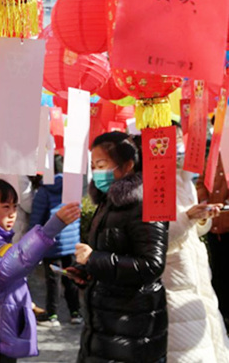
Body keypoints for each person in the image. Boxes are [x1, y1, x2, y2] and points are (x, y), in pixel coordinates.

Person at [0, 178, 81, 362]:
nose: (12, 214)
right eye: (5, 207)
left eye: (14, 207)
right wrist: (51, 227)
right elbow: (11, 264)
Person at [74, 131, 168, 363]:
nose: (97, 172)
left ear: (127, 165)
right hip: (105, 321)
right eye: (94, 165)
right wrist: (87, 272)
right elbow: (112, 253)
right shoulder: (108, 201)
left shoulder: (145, 204)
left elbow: (152, 265)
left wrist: (94, 259)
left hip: (132, 323)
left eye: (102, 164)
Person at [164, 123, 229, 362]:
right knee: (186, 350)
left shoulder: (184, 180)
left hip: (197, 276)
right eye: (173, 140)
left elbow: (194, 230)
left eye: (181, 138)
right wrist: (187, 218)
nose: (180, 146)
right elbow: (156, 239)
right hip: (176, 279)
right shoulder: (155, 185)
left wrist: (202, 218)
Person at [28, 156, 81, 327]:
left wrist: (34, 243)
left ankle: (52, 316)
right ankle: (75, 313)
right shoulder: (72, 189)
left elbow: (37, 218)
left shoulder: (44, 191)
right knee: (70, 277)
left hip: (51, 242)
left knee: (53, 280)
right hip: (71, 241)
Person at [196, 148, 229, 332]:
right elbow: (201, 182)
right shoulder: (213, 154)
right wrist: (204, 201)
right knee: (218, 273)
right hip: (214, 226)